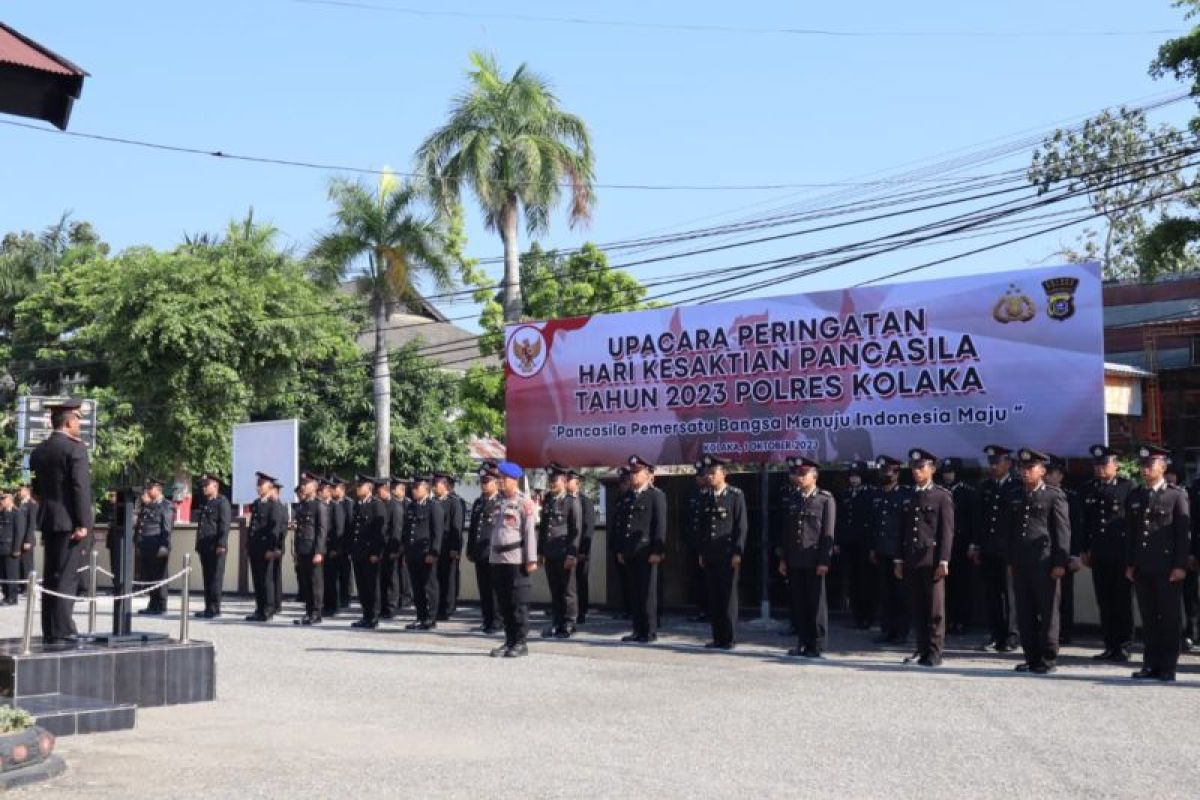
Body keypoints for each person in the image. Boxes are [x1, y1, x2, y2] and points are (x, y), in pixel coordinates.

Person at [28, 399, 92, 642]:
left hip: (49, 519)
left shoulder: (40, 450)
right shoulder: (75, 449)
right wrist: (83, 523)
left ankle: (50, 630)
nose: (80, 424)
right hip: (70, 523)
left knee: (52, 575)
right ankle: (64, 630)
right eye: (78, 419)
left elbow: (36, 489)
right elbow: (80, 489)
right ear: (68, 421)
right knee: (67, 577)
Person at [1127, 445, 1191, 682]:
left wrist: (1180, 565)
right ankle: (1150, 664)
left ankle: (1167, 666)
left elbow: (1182, 535)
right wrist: (1131, 563)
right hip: (1143, 567)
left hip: (1167, 568)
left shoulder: (1176, 495)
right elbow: (1133, 535)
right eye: (1143, 466)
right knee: (1149, 618)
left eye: (1149, 466)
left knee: (1169, 618)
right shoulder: (1137, 495)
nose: (1145, 470)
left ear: (1162, 468)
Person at [1007, 449, 1071, 675]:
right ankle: (1031, 657)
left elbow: (1062, 531)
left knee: (1048, 612)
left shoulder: (1054, 495)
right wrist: (1012, 560)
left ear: (1042, 471)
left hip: (1045, 564)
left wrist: (1060, 562)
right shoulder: (1016, 494)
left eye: (1030, 468)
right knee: (1025, 612)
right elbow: (1013, 532)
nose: (1025, 472)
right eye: (1022, 468)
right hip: (1022, 563)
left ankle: (1048, 658)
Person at [1078, 445, 1135, 662]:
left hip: (1120, 554)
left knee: (1122, 601)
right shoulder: (1090, 488)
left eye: (1104, 465)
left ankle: (1124, 645)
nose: (1100, 469)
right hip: (1099, 554)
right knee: (1105, 601)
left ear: (1116, 466)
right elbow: (1086, 522)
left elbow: (1131, 524)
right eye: (1097, 465)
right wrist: (1084, 548)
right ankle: (1110, 644)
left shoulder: (1127, 487)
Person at [897, 449, 954, 667]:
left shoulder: (941, 496)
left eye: (921, 468)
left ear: (932, 469)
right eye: (914, 468)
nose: (917, 472)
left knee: (934, 610)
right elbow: (902, 530)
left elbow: (947, 531)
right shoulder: (908, 495)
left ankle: (934, 652)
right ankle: (921, 649)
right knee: (917, 607)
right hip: (911, 559)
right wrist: (898, 560)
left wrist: (944, 560)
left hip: (932, 560)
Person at [780, 456, 835, 657]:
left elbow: (827, 533)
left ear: (815, 476)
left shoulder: (825, 499)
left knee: (816, 604)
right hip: (795, 558)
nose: (800, 478)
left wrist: (824, 561)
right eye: (798, 474)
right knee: (799, 603)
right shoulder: (793, 498)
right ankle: (802, 642)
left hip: (814, 559)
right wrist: (784, 559)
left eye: (804, 474)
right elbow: (787, 532)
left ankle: (817, 644)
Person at [970, 444, 1020, 653]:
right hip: (989, 548)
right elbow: (978, 518)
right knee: (992, 594)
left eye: (996, 462)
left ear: (1008, 463)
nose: (993, 467)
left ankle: (1012, 636)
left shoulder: (1017, 486)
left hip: (1009, 550)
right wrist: (975, 545)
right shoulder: (986, 486)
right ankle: (995, 634)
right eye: (990, 463)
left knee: (1010, 595)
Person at [487, 461, 539, 658]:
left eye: (503, 478)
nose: (499, 481)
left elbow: (529, 533)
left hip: (516, 560)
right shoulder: (498, 502)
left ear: (514, 480)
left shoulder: (524, 503)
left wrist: (531, 559)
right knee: (504, 603)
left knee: (518, 603)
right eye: (498, 478)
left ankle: (521, 642)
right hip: (499, 559)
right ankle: (509, 640)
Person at [696, 455, 747, 650]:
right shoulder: (705, 496)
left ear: (723, 474)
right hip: (710, 554)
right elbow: (703, 528)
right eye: (707, 474)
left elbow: (741, 526)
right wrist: (701, 552)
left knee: (728, 597)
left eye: (713, 473)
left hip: (728, 554)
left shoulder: (735, 495)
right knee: (714, 597)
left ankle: (729, 638)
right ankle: (717, 636)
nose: (709, 477)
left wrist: (738, 552)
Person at [619, 455, 668, 644]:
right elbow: (625, 526)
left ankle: (649, 631)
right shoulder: (629, 497)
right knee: (634, 592)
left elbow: (660, 525)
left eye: (637, 473)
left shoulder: (656, 495)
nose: (633, 477)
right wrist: (622, 550)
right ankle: (637, 629)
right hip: (631, 552)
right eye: (631, 473)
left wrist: (657, 550)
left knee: (647, 593)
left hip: (647, 552)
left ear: (648, 474)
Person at [871, 455, 912, 645]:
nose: (884, 475)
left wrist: (902, 554)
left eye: (888, 472)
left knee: (901, 594)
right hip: (882, 551)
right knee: (884, 593)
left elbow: (907, 526)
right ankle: (886, 630)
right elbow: (874, 524)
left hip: (899, 553)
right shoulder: (878, 494)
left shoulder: (905, 494)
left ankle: (901, 632)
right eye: (882, 471)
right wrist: (873, 548)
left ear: (897, 473)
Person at [538, 463, 582, 639]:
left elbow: (575, 530)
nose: (551, 483)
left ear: (564, 481)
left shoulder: (572, 501)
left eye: (554, 480)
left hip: (564, 553)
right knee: (555, 590)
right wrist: (541, 552)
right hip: (550, 553)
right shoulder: (549, 499)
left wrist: (572, 554)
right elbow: (543, 529)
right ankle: (557, 621)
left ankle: (569, 623)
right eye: (550, 480)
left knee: (568, 591)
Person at [1044, 455, 1082, 646]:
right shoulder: (1036, 494)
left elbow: (1074, 528)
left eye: (1051, 473)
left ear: (1060, 475)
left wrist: (1074, 554)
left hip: (1063, 553)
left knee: (1064, 595)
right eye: (1045, 472)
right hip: (1043, 554)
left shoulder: (1069, 496)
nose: (1047, 476)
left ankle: (1064, 632)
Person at [937, 458, 976, 636]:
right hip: (944, 545)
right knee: (946, 587)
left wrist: (972, 545)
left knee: (962, 585)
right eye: (945, 472)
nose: (947, 475)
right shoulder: (939, 491)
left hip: (961, 544)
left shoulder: (967, 493)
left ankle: (962, 621)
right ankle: (949, 620)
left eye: (950, 472)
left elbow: (972, 521)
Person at [837, 461, 877, 630]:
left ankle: (868, 617)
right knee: (852, 581)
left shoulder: (871, 493)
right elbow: (840, 520)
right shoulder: (845, 494)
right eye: (852, 476)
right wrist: (838, 541)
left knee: (866, 582)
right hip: (848, 543)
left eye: (857, 476)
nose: (854, 480)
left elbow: (874, 521)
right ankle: (857, 616)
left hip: (865, 544)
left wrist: (873, 545)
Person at [402, 476, 444, 630]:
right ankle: (420, 616)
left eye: (416, 487)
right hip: (413, 553)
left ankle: (431, 618)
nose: (413, 490)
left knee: (430, 587)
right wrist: (406, 552)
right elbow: (407, 531)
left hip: (426, 553)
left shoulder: (434, 506)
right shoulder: (411, 506)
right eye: (413, 487)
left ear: (426, 489)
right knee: (417, 587)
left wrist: (434, 552)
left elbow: (437, 532)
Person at [347, 474, 387, 629]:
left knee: (372, 586)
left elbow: (380, 532)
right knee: (362, 587)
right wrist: (351, 549)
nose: (357, 488)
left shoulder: (376, 505)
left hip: (370, 554)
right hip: (358, 553)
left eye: (360, 486)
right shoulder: (358, 505)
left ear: (369, 488)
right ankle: (366, 615)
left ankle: (373, 617)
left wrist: (376, 552)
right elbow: (353, 530)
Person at [246, 472, 287, 622]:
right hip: (255, 547)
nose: (258, 488)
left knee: (267, 580)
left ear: (269, 487)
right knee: (257, 580)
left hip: (266, 549)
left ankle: (268, 609)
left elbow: (275, 529)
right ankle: (259, 608)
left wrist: (271, 548)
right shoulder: (257, 503)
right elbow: (253, 526)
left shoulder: (274, 504)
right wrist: (249, 545)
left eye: (261, 485)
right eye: (258, 485)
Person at [466, 462, 501, 633]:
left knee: (495, 589)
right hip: (480, 552)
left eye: (487, 481)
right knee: (484, 589)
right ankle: (487, 619)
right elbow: (474, 528)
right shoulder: (479, 502)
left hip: (493, 552)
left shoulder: (500, 502)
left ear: (495, 482)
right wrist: (470, 549)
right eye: (482, 481)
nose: (483, 484)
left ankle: (496, 621)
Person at [292, 472, 328, 626]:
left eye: (305, 484)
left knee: (315, 583)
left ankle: (316, 613)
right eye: (302, 484)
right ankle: (308, 611)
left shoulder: (319, 505)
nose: (303, 487)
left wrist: (319, 551)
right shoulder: (302, 505)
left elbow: (322, 530)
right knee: (305, 582)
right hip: (303, 549)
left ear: (314, 487)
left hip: (313, 549)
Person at [193, 474, 231, 619]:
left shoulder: (222, 502)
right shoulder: (207, 502)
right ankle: (208, 606)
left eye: (206, 485)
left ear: (215, 485)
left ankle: (215, 608)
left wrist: (221, 544)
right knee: (207, 577)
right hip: (205, 546)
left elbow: (224, 525)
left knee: (215, 578)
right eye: (203, 485)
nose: (203, 488)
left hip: (216, 546)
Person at [135, 478, 174, 616]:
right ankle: (152, 604)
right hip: (146, 547)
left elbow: (167, 528)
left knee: (160, 577)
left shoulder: (166, 505)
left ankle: (161, 605)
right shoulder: (147, 505)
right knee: (150, 577)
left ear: (158, 489)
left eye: (150, 488)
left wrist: (164, 546)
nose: (147, 491)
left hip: (158, 547)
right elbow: (140, 525)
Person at [432, 473, 465, 621]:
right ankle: (436, 606)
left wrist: (455, 548)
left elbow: (456, 526)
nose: (434, 486)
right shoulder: (433, 502)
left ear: (445, 485)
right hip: (435, 547)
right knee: (436, 578)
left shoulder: (454, 502)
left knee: (448, 578)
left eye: (437, 484)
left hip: (448, 546)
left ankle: (447, 608)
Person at [567, 469, 595, 626]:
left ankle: (582, 611)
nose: (567, 482)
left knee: (580, 581)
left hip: (580, 551)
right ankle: (570, 611)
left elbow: (588, 527)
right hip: (567, 550)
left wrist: (583, 550)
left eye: (570, 480)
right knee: (568, 584)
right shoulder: (565, 500)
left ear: (577, 483)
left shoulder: (585, 501)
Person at [682, 464, 710, 623]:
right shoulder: (691, 494)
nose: (699, 479)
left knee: (709, 580)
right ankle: (701, 610)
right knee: (697, 580)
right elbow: (686, 520)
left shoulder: (713, 494)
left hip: (708, 546)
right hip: (694, 545)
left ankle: (711, 611)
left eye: (702, 476)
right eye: (698, 476)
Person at [322, 475, 349, 618]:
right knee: (326, 579)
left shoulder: (336, 507)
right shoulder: (324, 506)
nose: (323, 492)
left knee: (333, 579)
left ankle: (333, 606)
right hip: (324, 548)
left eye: (326, 489)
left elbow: (339, 529)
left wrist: (336, 549)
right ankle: (326, 605)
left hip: (333, 549)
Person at [610, 467, 634, 620]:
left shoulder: (633, 499)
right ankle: (625, 608)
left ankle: (631, 609)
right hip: (618, 546)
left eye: (624, 483)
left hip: (628, 548)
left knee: (631, 581)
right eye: (621, 483)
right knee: (623, 580)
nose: (621, 486)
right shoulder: (620, 500)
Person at [383, 477, 409, 619]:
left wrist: (401, 547)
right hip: (391, 545)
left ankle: (403, 598)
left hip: (401, 543)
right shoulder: (389, 504)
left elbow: (402, 528)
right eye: (392, 487)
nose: (393, 490)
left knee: (401, 574)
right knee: (391, 575)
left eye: (396, 488)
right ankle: (393, 601)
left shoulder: (406, 504)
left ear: (402, 490)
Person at [374, 478, 397, 620]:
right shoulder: (380, 505)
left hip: (390, 548)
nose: (377, 494)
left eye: (379, 491)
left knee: (391, 580)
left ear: (385, 491)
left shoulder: (395, 506)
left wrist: (395, 550)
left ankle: (391, 607)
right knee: (381, 580)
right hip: (381, 548)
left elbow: (396, 529)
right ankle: (382, 607)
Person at [15, 484, 37, 592]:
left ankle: (29, 587)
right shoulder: (20, 504)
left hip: (27, 539)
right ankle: (22, 586)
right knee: (20, 564)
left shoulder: (31, 504)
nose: (19, 492)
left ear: (27, 491)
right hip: (19, 538)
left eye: (21, 490)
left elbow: (31, 524)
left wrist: (28, 540)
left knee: (27, 564)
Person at [0, 490, 20, 605]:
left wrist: (16, 548)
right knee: (3, 574)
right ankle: (6, 595)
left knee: (11, 574)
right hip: (2, 547)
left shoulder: (16, 513)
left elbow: (19, 532)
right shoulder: (2, 513)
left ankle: (12, 597)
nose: (1, 501)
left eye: (3, 499)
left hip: (11, 548)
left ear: (10, 500)